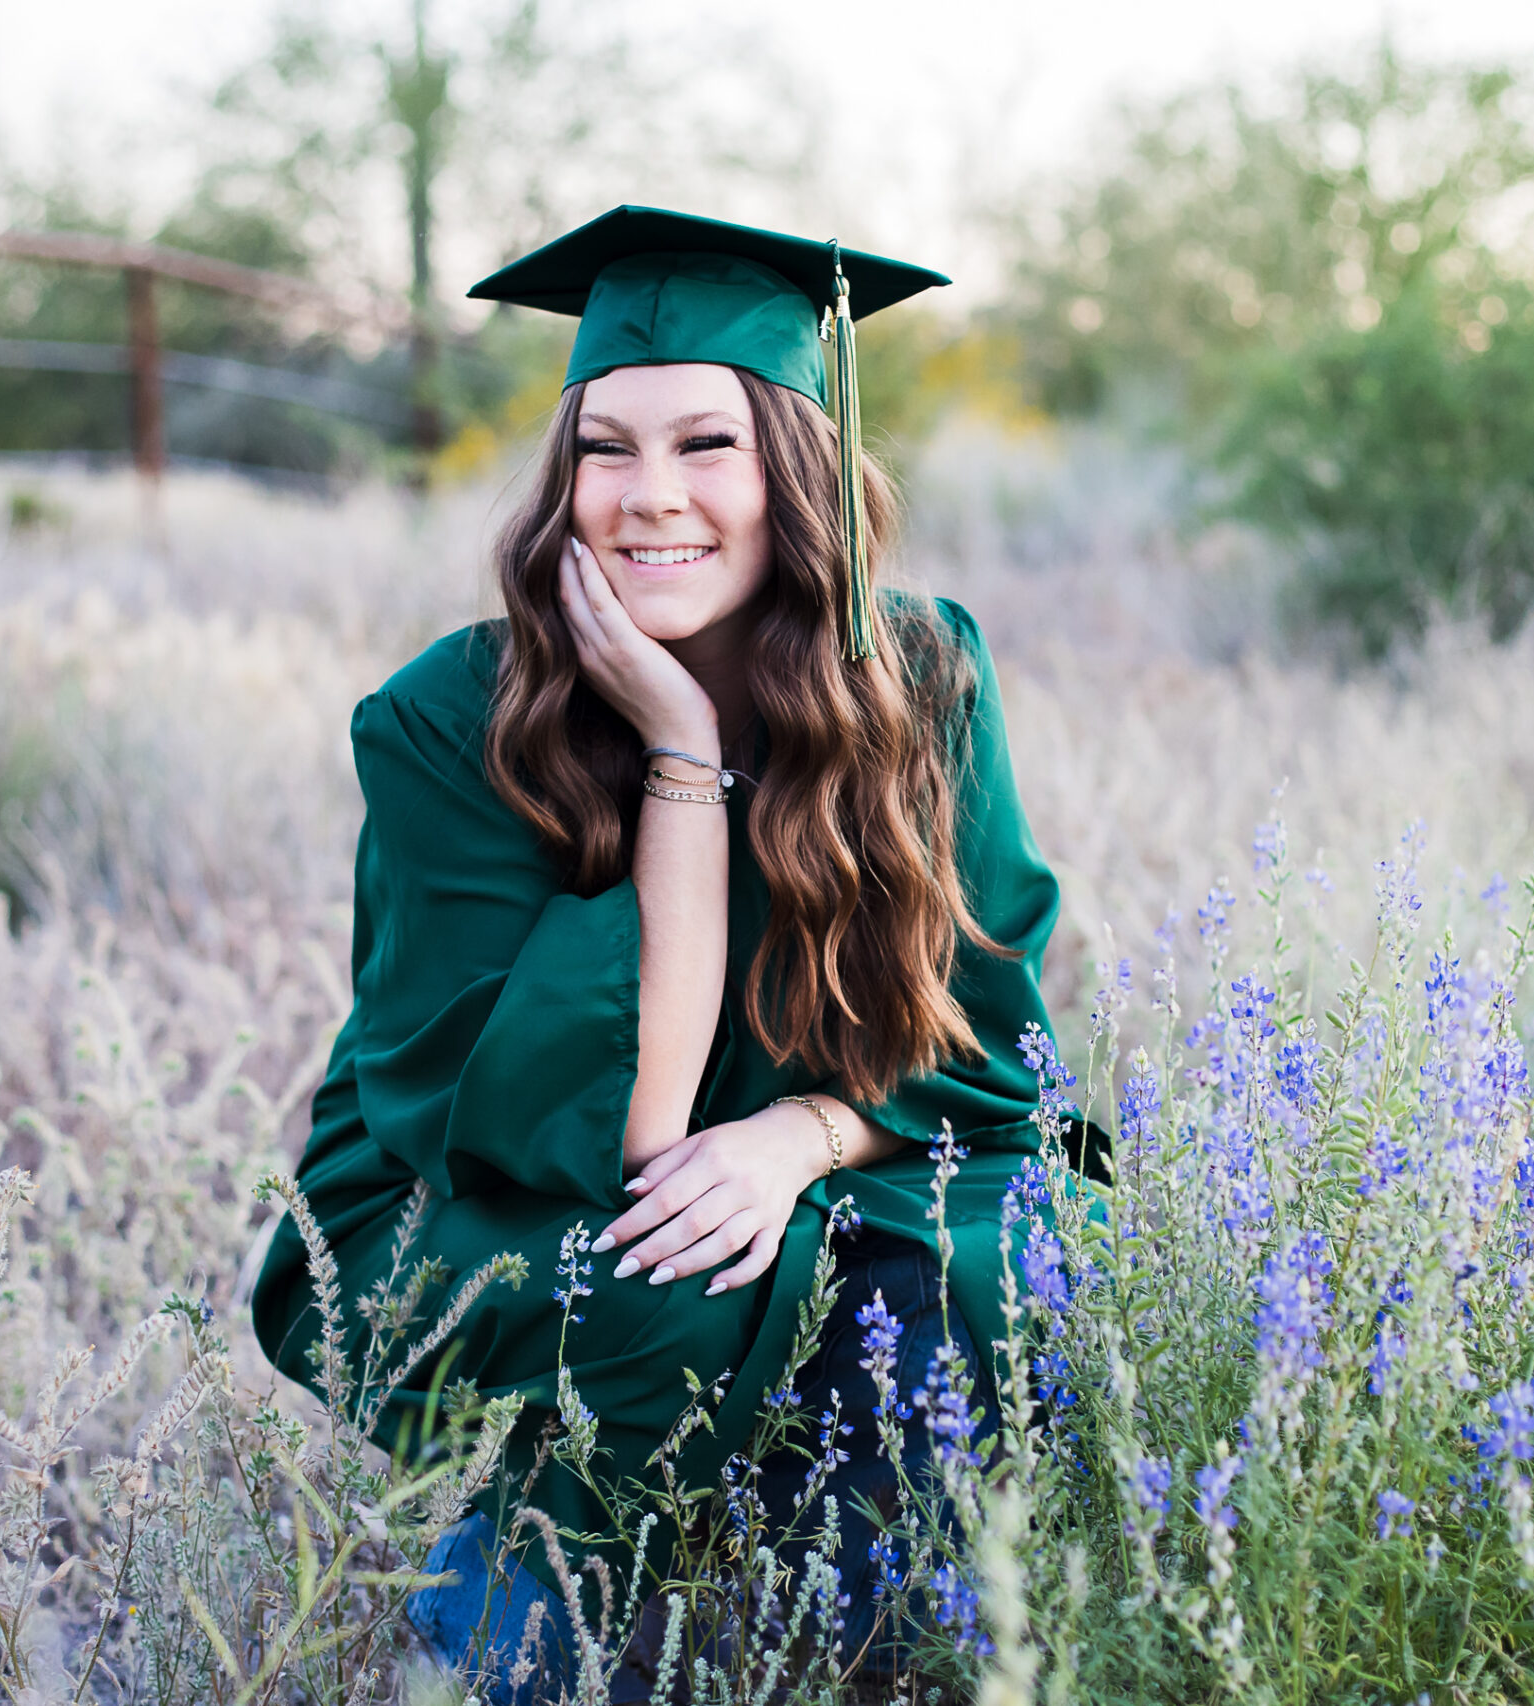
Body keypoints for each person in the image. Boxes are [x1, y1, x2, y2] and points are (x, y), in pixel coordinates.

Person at [249, 207, 1101, 1701]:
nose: (651, 496)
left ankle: (870, 1656)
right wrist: (682, 753)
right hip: (478, 1200)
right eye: (606, 450)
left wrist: (797, 1137)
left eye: (709, 443)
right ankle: (522, 1613)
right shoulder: (451, 722)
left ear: (796, 471)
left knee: (1007, 1261)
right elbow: (622, 1130)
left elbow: (981, 1046)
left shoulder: (919, 679)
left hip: (821, 1151)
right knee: (675, 1281)